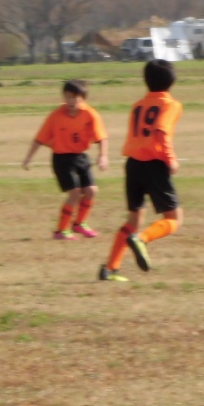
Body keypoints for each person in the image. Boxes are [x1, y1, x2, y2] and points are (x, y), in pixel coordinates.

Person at [100, 60, 183, 282]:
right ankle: (142, 239)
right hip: (154, 164)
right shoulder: (171, 104)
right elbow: (161, 132)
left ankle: (110, 268)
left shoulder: (138, 105)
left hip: (133, 164)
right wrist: (171, 159)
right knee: (174, 219)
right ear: (172, 81)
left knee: (133, 219)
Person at [22, 80, 109, 240]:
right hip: (62, 159)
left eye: (74, 97)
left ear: (83, 98)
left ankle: (79, 224)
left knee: (91, 191)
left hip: (81, 157)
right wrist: (28, 158)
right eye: (67, 96)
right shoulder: (56, 116)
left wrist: (102, 156)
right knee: (74, 193)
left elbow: (101, 137)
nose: (70, 101)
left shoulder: (90, 114)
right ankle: (61, 231)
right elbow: (40, 138)